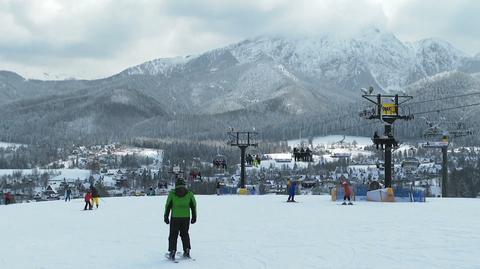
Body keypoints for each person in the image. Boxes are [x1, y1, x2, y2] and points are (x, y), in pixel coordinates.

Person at [164, 179, 197, 261]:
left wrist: (166, 216)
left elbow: (168, 205)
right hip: (186, 218)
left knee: (173, 235)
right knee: (185, 234)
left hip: (175, 217)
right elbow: (193, 206)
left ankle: (172, 252)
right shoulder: (189, 194)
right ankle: (187, 250)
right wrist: (194, 216)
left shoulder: (172, 193)